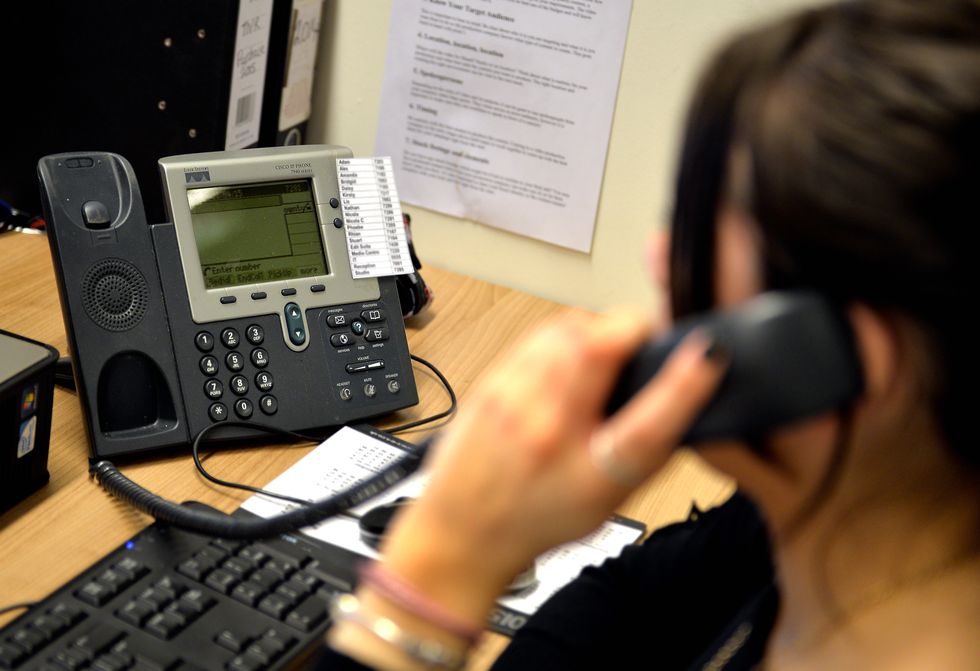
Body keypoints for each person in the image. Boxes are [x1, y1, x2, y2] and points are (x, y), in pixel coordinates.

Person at [318, 0, 980, 668]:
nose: (660, 256)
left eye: (696, 223)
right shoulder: (813, 528)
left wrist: (429, 577)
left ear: (839, 359)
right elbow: (624, 605)